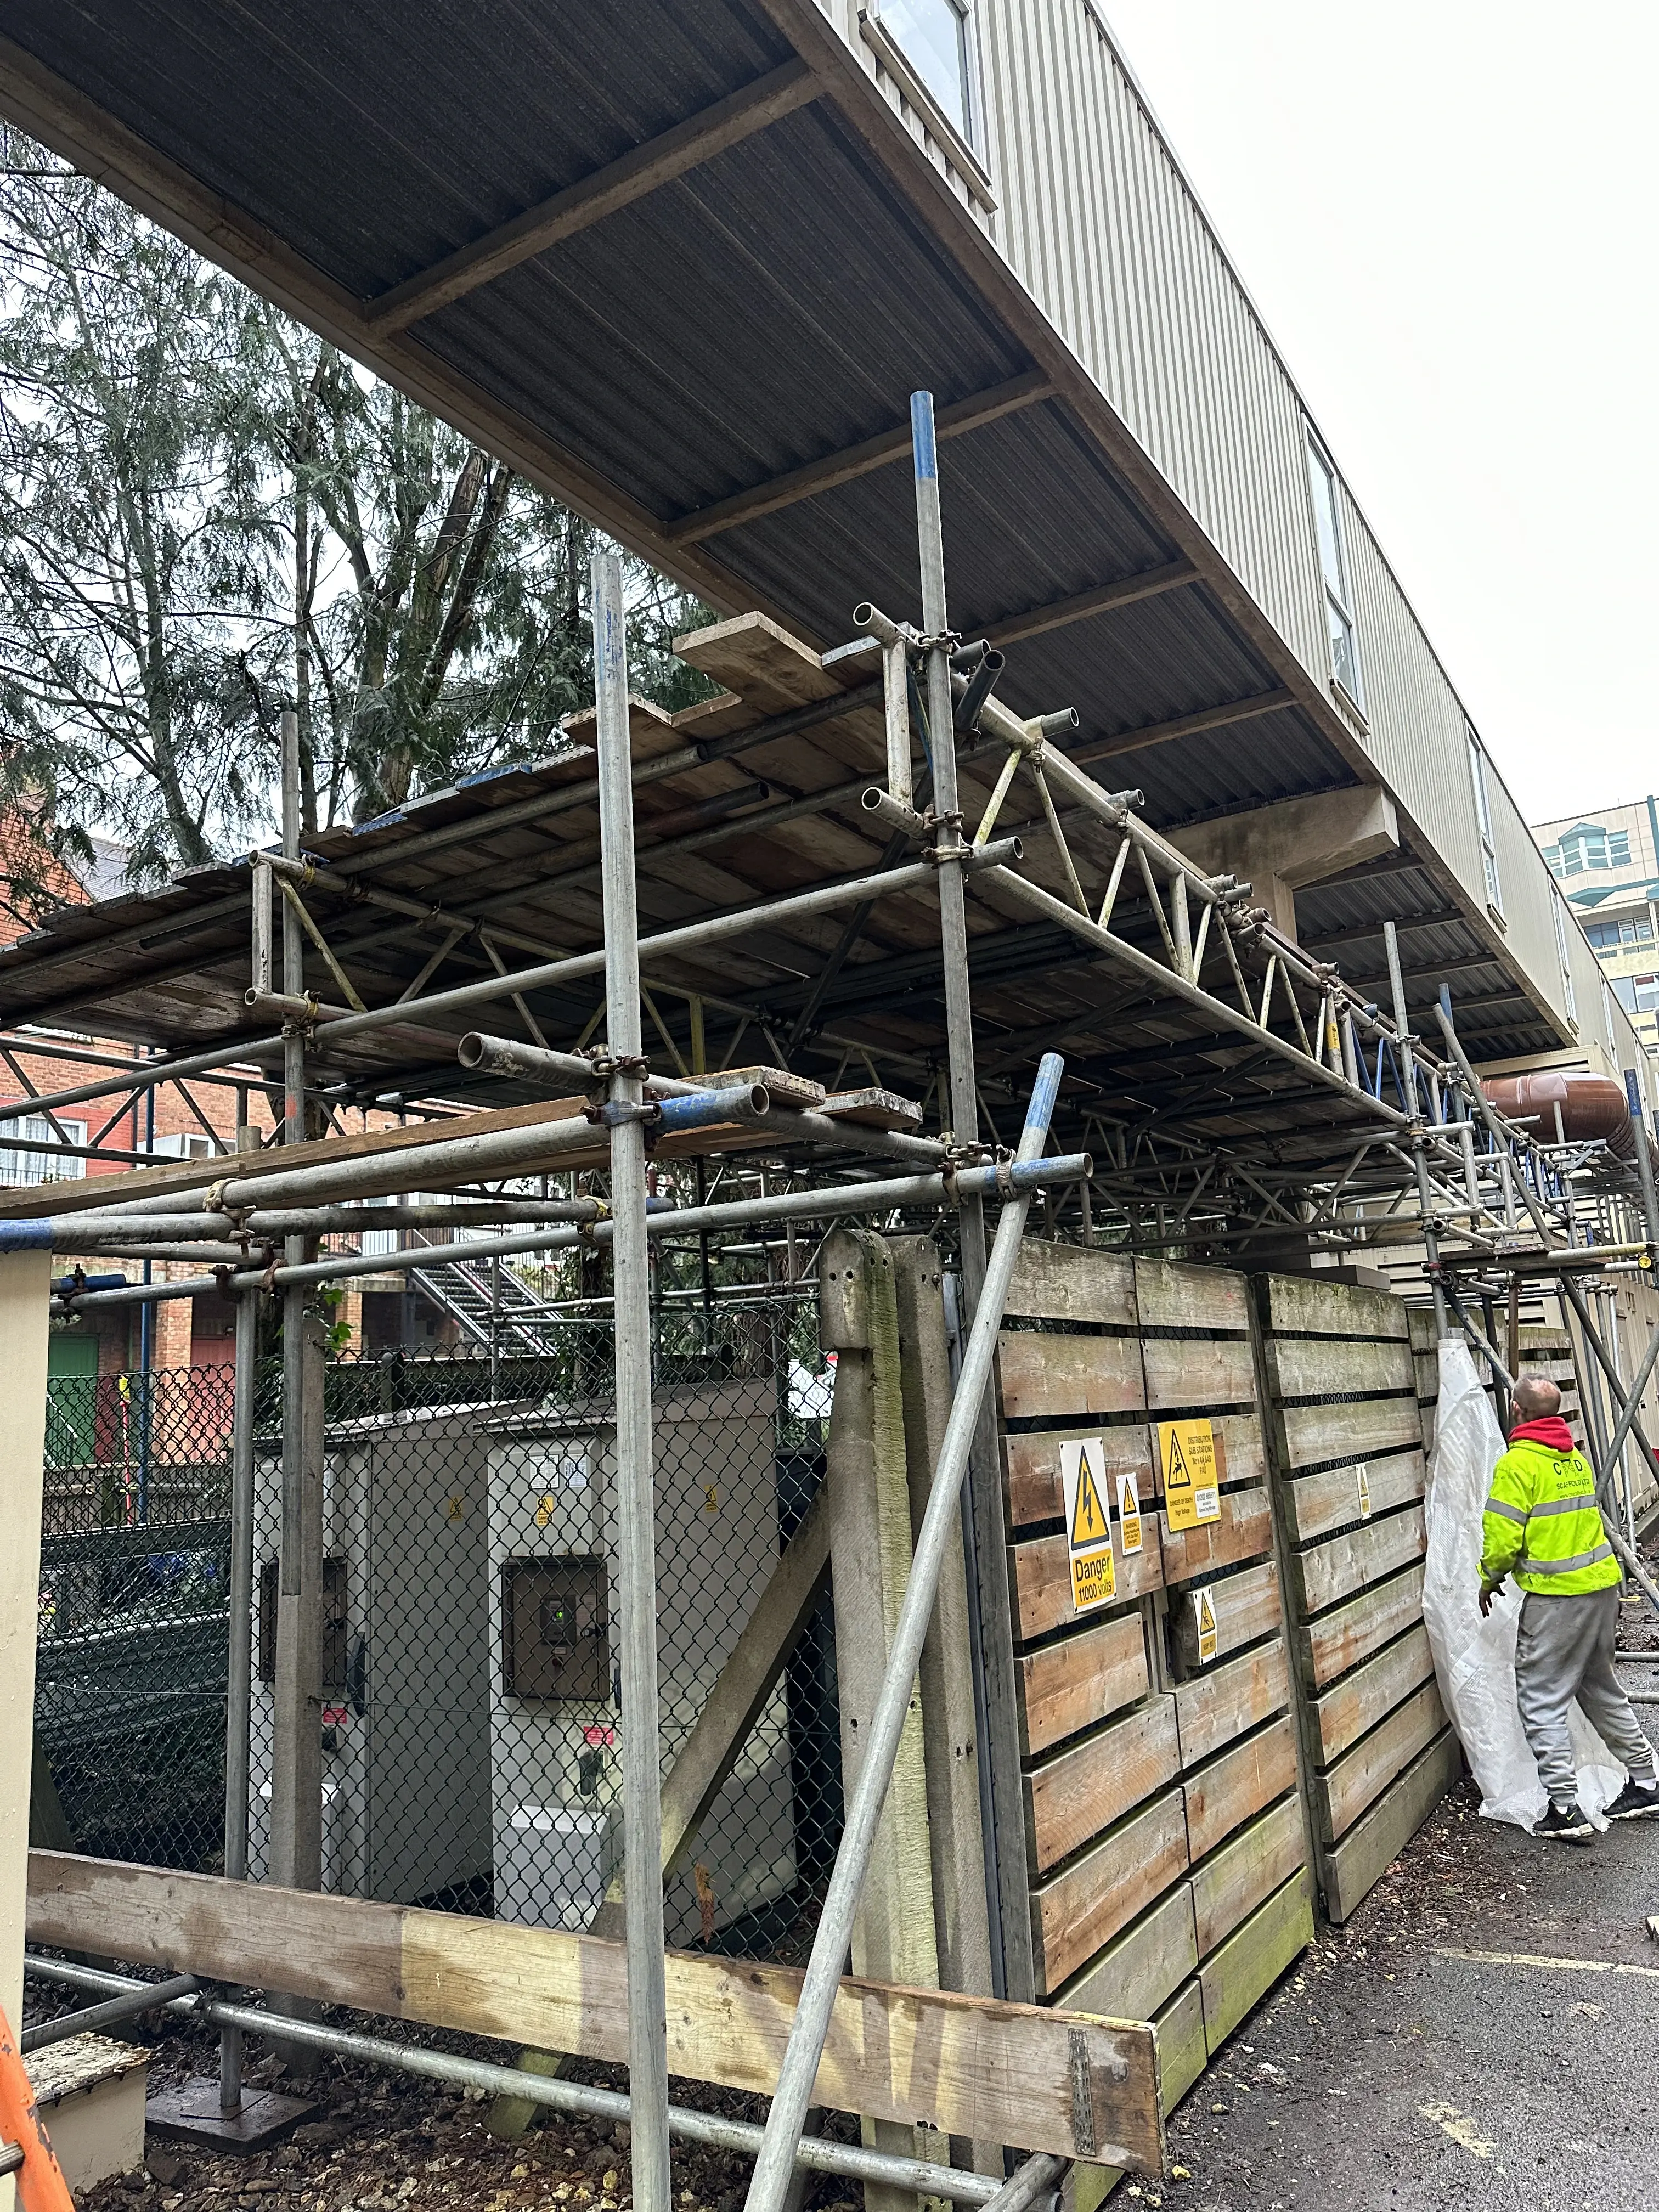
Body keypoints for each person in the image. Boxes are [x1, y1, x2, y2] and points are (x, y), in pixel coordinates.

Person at [1479, 1371, 1659, 1842]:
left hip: (1558, 1600)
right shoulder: (1573, 1457)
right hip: (1602, 1591)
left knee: (1541, 1700)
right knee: (1600, 1689)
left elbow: (1502, 1538)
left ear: (1516, 1411)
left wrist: (1487, 1579)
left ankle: (1564, 1808)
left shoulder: (1518, 1464)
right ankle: (1647, 1781)